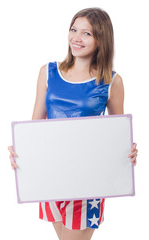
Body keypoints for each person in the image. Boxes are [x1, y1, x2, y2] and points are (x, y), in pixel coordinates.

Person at [8, 7, 138, 240]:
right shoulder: (48, 72)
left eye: (87, 33)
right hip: (50, 173)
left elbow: (118, 133)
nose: (76, 38)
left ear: (101, 39)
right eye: (73, 30)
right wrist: (20, 150)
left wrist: (127, 152)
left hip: (88, 177)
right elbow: (34, 124)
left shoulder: (111, 81)